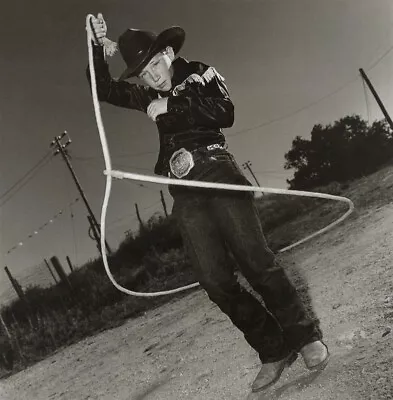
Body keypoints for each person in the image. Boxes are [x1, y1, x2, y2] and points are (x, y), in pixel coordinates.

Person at [86, 13, 329, 392]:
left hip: (218, 173)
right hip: (184, 192)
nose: (151, 77)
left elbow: (224, 112)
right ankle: (274, 349)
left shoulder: (198, 73)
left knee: (256, 262)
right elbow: (103, 89)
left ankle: (305, 337)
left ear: (167, 52)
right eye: (143, 73)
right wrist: (96, 48)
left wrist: (173, 108)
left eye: (153, 65)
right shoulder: (148, 95)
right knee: (214, 281)